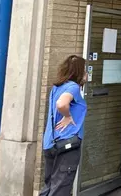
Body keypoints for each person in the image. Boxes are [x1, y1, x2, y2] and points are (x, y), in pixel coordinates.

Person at [40, 55, 87, 196]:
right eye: (85, 70)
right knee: (60, 189)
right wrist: (67, 116)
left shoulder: (56, 87)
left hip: (51, 143)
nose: (87, 73)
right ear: (78, 71)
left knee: (49, 187)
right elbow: (61, 104)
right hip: (66, 145)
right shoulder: (73, 87)